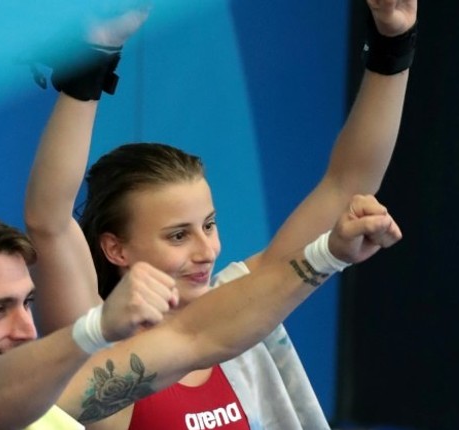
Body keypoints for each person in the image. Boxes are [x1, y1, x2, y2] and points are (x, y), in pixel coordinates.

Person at [25, 1, 417, 429]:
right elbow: (49, 222)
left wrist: (394, 41)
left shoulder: (240, 307)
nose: (206, 250)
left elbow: (347, 183)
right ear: (115, 248)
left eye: (209, 225)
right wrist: (95, 57)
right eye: (178, 236)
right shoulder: (96, 346)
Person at [0, 186, 400, 430]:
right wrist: (92, 331)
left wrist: (327, 255)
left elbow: (197, 338)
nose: (24, 328)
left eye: (26, 304)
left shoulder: (44, 403)